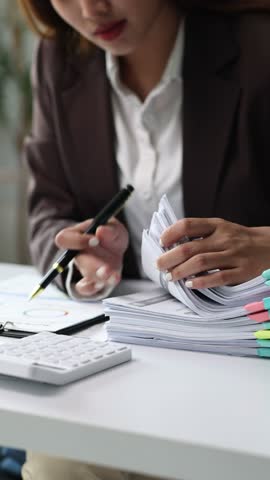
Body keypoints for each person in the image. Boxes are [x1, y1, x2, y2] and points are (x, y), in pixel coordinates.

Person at [18, 0, 270, 479]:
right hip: (128, 355)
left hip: (245, 364)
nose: (93, 8)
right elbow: (49, 207)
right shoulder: (61, 59)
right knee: (59, 462)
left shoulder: (258, 48)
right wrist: (82, 258)